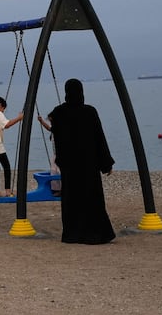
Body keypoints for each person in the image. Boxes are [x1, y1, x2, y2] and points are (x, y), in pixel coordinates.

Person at [44, 79, 115, 245]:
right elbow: (99, 138)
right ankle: (94, 234)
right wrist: (106, 163)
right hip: (88, 164)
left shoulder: (59, 112)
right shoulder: (89, 112)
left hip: (69, 165)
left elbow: (56, 132)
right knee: (92, 199)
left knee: (71, 200)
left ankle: (73, 234)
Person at [37, 114, 61, 196]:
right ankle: (56, 189)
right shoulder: (54, 129)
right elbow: (49, 128)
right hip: (55, 154)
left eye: (51, 121)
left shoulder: (60, 129)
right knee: (53, 171)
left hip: (61, 155)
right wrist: (41, 121)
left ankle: (60, 189)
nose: (51, 123)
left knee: (59, 171)